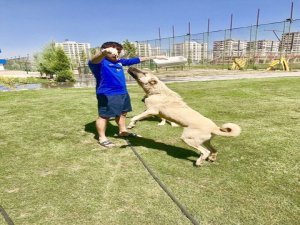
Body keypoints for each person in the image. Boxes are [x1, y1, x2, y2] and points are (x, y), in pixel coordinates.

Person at [88, 41, 165, 148]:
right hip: (107, 94)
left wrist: (155, 56)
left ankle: (122, 131)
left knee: (123, 113)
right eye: (113, 52)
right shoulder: (99, 63)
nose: (116, 54)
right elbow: (93, 59)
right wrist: (104, 52)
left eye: (118, 52)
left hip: (122, 92)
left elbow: (135, 60)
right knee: (104, 116)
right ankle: (102, 138)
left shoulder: (119, 62)